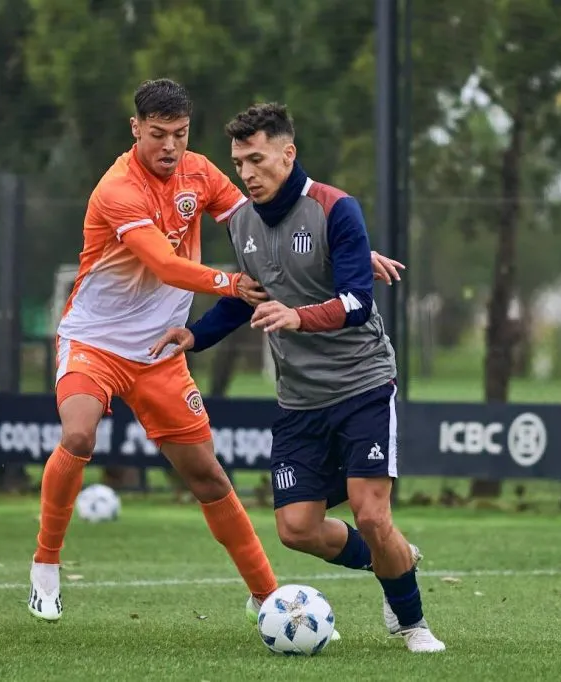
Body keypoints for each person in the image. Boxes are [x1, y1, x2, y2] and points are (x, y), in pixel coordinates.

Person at [29, 79, 405, 628]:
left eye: (180, 134)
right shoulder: (118, 190)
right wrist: (230, 284)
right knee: (80, 433)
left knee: (207, 476)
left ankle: (266, 595)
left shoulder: (201, 172)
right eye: (158, 135)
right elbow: (165, 265)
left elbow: (265, 218)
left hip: (160, 351)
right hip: (96, 341)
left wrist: (344, 244)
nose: (170, 147)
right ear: (136, 129)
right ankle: (46, 564)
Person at [150, 102, 445, 653]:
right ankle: (395, 559)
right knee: (297, 529)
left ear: (288, 153)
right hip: (299, 399)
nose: (247, 173)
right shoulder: (241, 222)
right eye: (239, 163)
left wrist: (297, 316)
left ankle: (414, 624)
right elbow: (247, 298)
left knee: (371, 512)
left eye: (257, 159)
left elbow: (358, 301)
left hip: (362, 384)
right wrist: (196, 336)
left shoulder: (337, 209)